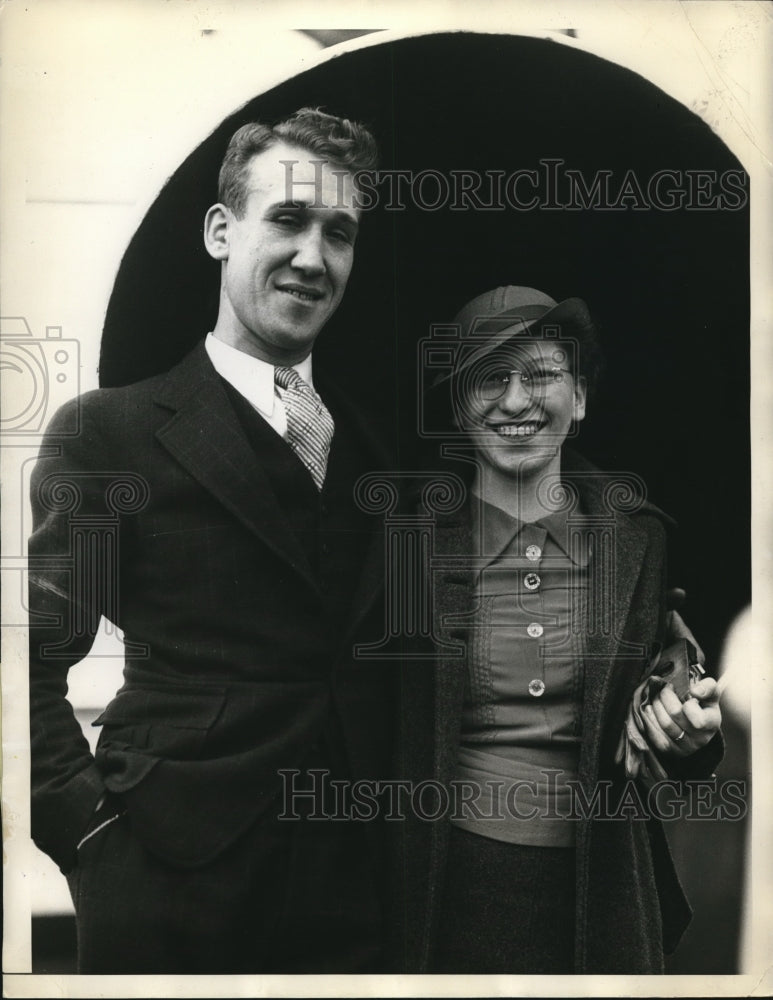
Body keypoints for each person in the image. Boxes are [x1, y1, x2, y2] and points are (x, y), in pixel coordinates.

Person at [28, 108, 396, 974]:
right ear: (220, 231)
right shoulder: (106, 432)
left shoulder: (373, 448)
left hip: (352, 895)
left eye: (338, 232)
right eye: (288, 220)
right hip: (166, 886)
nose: (313, 256)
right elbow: (25, 664)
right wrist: (89, 833)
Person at [395, 285, 723, 974]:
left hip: (601, 889)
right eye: (489, 376)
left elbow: (675, 671)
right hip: (443, 891)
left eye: (540, 374)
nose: (515, 400)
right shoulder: (406, 546)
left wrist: (685, 720)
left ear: (578, 399)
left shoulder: (637, 541)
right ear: (459, 407)